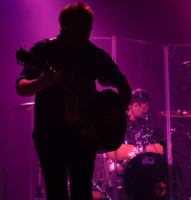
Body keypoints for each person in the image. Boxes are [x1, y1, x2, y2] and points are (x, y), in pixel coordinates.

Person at [15, 2, 132, 200]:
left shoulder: (95, 55)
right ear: (64, 27)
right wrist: (42, 82)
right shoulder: (44, 50)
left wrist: (120, 108)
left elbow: (123, 84)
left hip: (84, 138)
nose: (85, 35)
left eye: (88, 30)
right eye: (80, 30)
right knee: (56, 192)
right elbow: (21, 87)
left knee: (82, 193)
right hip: (50, 135)